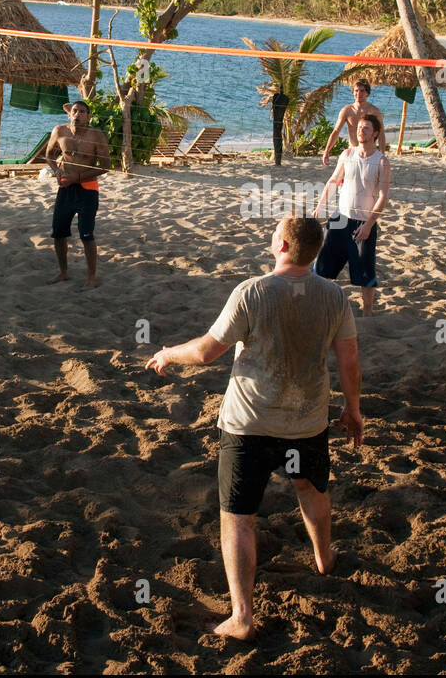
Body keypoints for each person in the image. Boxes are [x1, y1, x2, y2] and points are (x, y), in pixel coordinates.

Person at [145, 216, 363, 641]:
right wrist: (353, 410)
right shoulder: (334, 295)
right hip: (307, 421)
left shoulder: (252, 291)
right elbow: (349, 361)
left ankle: (242, 617)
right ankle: (324, 558)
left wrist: (169, 353)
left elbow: (208, 351)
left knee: (238, 517)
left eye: (274, 234)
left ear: (281, 245)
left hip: (250, 424)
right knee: (311, 488)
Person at [314, 115, 391, 316]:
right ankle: (319, 306)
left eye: (366, 128)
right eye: (359, 127)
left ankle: (367, 312)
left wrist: (369, 225)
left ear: (375, 133)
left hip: (363, 222)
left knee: (364, 271)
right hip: (340, 219)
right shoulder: (347, 154)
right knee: (322, 267)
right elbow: (333, 181)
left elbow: (383, 197)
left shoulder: (381, 161)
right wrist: (320, 206)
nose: (360, 131)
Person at [45, 100, 110, 287]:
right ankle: (63, 272)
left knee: (86, 234)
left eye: (82, 112)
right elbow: (49, 155)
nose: (78, 114)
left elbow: (105, 166)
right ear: (69, 114)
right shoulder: (59, 131)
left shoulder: (97, 136)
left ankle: (91, 277)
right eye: (75, 111)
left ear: (89, 117)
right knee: (58, 232)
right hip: (65, 188)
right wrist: (57, 171)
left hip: (88, 189)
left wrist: (78, 177)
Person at [322, 79, 387, 165]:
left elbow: (381, 134)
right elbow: (336, 131)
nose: (359, 93)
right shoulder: (347, 110)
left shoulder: (374, 111)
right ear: (353, 92)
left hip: (370, 153)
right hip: (353, 152)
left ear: (367, 93)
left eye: (362, 91)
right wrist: (326, 151)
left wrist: (382, 154)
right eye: (356, 90)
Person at [270, 89, 289, 167]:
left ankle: (278, 161)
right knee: (277, 130)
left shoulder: (282, 99)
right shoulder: (279, 99)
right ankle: (277, 161)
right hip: (277, 122)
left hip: (278, 122)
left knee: (277, 131)